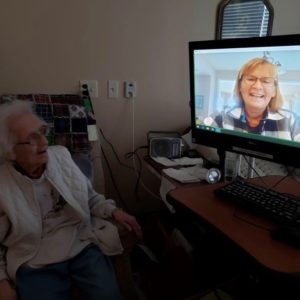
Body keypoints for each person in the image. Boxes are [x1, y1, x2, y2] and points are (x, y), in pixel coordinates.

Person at [0, 100, 143, 300]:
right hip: (34, 260)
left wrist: (113, 211)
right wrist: (2, 281)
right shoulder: (3, 186)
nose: (43, 143)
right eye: (31, 139)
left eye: (42, 132)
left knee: (108, 295)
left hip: (81, 243)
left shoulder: (61, 157)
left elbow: (89, 197)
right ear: (10, 150)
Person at [204, 57, 300, 141]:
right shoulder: (221, 116)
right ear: (240, 86)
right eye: (251, 79)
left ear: (274, 91)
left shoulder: (292, 121)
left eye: (266, 81)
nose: (257, 86)